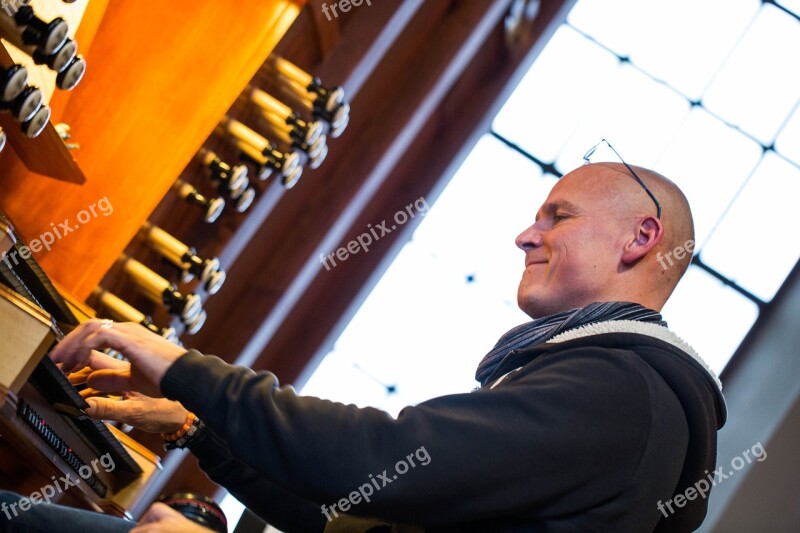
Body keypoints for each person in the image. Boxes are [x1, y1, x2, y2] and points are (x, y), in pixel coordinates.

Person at [1, 160, 726, 532]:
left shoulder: (627, 391)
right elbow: (349, 514)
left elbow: (377, 457)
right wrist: (199, 429)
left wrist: (185, 366)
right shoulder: (625, 393)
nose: (526, 234)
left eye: (557, 215)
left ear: (641, 237)